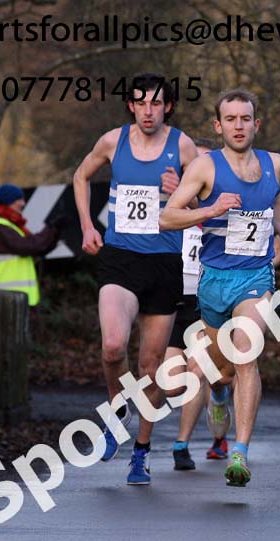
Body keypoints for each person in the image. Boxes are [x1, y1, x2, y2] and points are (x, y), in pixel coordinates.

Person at [161, 88, 280, 486]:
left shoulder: (273, 164)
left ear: (256, 124)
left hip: (256, 278)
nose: (239, 126)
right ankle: (220, 394)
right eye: (231, 120)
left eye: (246, 119)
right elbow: (166, 217)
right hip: (213, 281)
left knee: (246, 352)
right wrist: (209, 210)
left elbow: (276, 204)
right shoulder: (205, 168)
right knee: (219, 370)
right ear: (218, 125)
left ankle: (239, 452)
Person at [73, 73, 198, 485]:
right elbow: (80, 176)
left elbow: (204, 200)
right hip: (120, 258)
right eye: (141, 103)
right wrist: (88, 226)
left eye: (156, 103)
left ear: (168, 107)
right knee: (112, 347)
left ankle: (140, 453)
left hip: (164, 262)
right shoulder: (113, 141)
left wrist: (183, 189)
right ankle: (116, 411)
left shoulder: (182, 146)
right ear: (131, 105)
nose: (148, 111)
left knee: (151, 367)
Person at [167, 138, 234, 470]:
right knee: (172, 381)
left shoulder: (226, 210)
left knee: (196, 370)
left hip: (208, 299)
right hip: (176, 300)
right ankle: (220, 390)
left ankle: (181, 445)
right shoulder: (174, 209)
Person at [0, 183, 63, 307]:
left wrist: (55, 233)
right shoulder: (0, 227)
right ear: (8, 202)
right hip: (7, 300)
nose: (23, 203)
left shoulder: (12, 226)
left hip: (17, 299)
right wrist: (50, 228)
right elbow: (30, 245)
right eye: (19, 199)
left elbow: (38, 248)